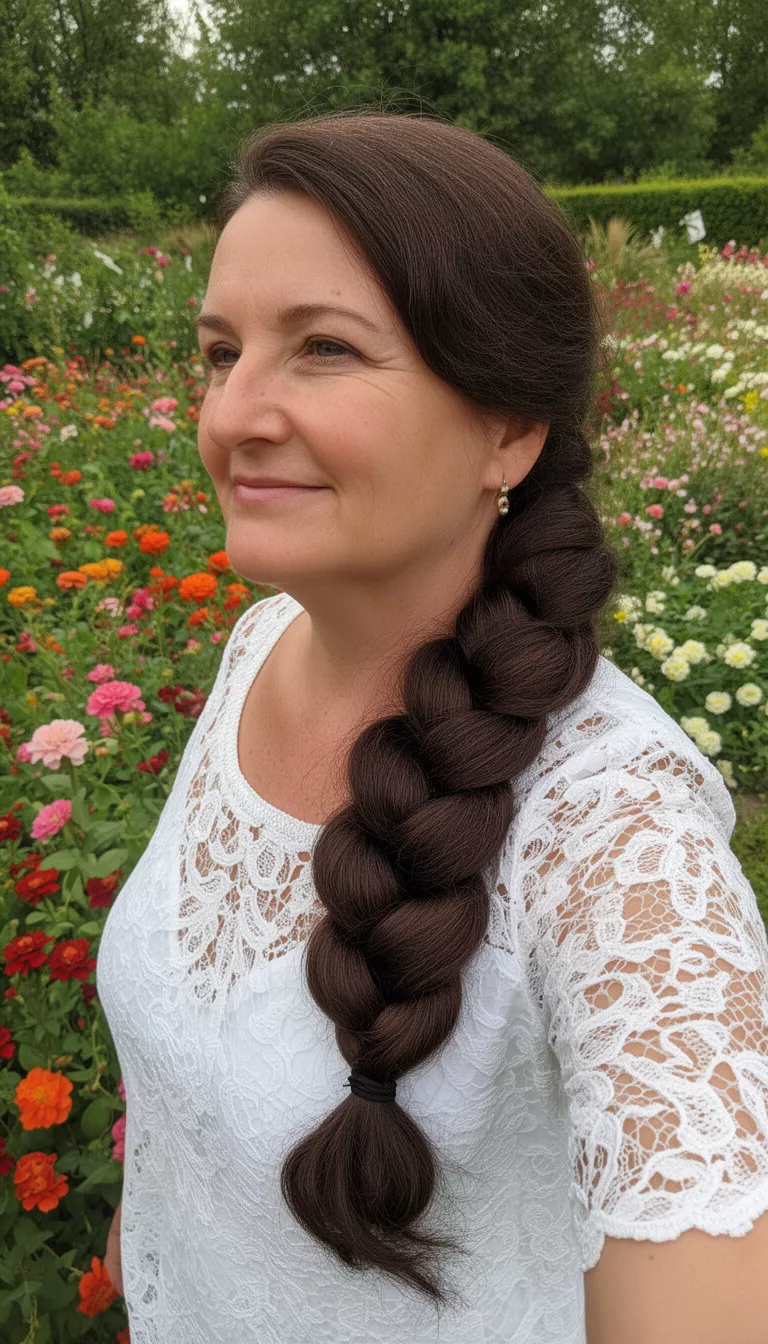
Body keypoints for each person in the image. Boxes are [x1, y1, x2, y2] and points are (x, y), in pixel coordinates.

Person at [96, 109, 768, 1343]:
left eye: (325, 349)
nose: (234, 414)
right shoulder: (259, 649)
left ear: (508, 428)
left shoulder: (618, 847)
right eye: (220, 351)